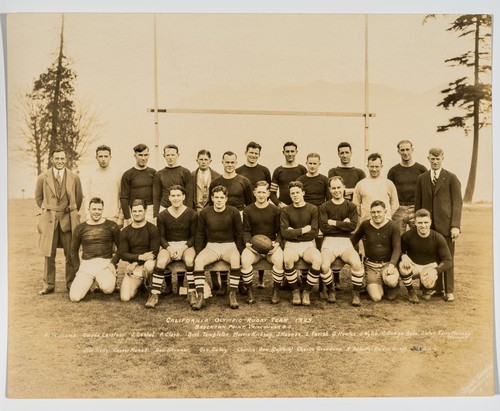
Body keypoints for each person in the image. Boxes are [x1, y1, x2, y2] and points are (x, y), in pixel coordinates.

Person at [415, 147, 462, 302]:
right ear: (428, 158)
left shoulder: (451, 178)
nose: (435, 162)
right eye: (432, 159)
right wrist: (418, 224)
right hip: (427, 227)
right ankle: (433, 288)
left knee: (447, 258)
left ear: (443, 158)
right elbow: (418, 204)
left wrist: (455, 225)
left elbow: (457, 203)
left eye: (438, 159)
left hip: (446, 227)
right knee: (429, 258)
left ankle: (449, 290)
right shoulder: (422, 178)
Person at [35, 147, 83, 295]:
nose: (60, 161)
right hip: (50, 221)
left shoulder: (74, 177)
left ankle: (72, 284)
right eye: (57, 158)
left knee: (71, 253)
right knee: (49, 254)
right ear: (52, 159)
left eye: (62, 158)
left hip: (68, 221)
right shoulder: (43, 177)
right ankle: (49, 285)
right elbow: (39, 198)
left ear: (66, 159)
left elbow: (79, 198)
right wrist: (50, 211)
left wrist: (70, 213)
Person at [208, 151, 252, 295]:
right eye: (227, 162)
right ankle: (224, 284)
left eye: (232, 162)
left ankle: (239, 282)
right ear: (222, 162)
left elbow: (249, 203)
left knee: (238, 247)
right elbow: (210, 203)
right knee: (223, 247)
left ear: (236, 163)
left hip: (238, 216)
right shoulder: (215, 182)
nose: (230, 165)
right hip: (221, 217)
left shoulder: (243, 181)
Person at [193, 185, 244, 310]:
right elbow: (200, 234)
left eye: (222, 197)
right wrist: (198, 252)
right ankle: (200, 297)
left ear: (226, 199)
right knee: (198, 261)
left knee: (235, 259)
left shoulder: (233, 211)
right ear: (212, 198)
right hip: (212, 246)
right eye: (216, 197)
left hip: (229, 245)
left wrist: (240, 251)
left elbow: (239, 233)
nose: (219, 200)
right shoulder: (205, 212)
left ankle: (232, 295)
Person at [146, 185, 198, 309]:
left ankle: (192, 292)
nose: (176, 198)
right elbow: (161, 237)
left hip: (185, 245)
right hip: (169, 245)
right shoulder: (162, 215)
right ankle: (154, 294)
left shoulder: (192, 214)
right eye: (173, 196)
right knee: (162, 260)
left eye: (178, 195)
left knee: (190, 259)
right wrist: (170, 249)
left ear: (184, 197)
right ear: (169, 197)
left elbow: (193, 237)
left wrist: (181, 249)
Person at [319, 176, 364, 306]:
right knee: (324, 265)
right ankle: (331, 290)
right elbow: (324, 227)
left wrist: (333, 222)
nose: (337, 190)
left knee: (356, 264)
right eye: (334, 188)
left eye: (339, 187)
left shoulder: (351, 206)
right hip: (329, 241)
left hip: (345, 242)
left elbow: (353, 226)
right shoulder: (324, 206)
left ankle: (356, 294)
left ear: (344, 188)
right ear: (330, 190)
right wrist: (343, 224)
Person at [69, 197, 120, 302]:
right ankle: (88, 281)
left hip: (104, 263)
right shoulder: (80, 228)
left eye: (99, 209)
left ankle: (105, 280)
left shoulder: (112, 226)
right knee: (74, 297)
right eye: (94, 209)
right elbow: (73, 250)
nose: (97, 212)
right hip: (87, 264)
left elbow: (122, 248)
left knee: (107, 289)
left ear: (103, 209)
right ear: (89, 209)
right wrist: (77, 269)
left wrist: (113, 263)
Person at [236, 141, 272, 289]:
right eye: (251, 152)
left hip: (261, 209)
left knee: (262, 240)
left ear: (259, 155)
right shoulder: (239, 171)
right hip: (246, 210)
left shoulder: (264, 170)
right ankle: (241, 278)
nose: (253, 155)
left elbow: (268, 191)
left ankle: (261, 279)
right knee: (245, 243)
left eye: (256, 153)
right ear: (246, 153)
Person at [241, 181, 284, 304]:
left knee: (279, 260)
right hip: (254, 247)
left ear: (268, 193)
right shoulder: (248, 210)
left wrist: (277, 244)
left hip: (270, 246)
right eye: (258, 192)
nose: (261, 195)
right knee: (244, 260)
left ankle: (276, 291)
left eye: (263, 192)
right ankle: (249, 291)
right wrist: (248, 243)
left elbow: (280, 231)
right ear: (254, 193)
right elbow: (246, 230)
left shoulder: (275, 210)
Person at [350, 200, 401, 303]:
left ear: (385, 211)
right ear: (370, 212)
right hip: (371, 265)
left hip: (387, 264)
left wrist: (391, 265)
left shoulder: (393, 226)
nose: (376, 215)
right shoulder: (365, 225)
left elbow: (397, 248)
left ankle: (392, 285)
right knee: (377, 297)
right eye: (373, 212)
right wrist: (348, 252)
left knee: (390, 281)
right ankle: (379, 284)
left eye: (379, 212)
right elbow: (353, 239)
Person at [280, 181, 322, 306]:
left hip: (308, 244)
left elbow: (314, 232)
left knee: (317, 260)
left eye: (297, 192)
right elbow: (285, 233)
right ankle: (295, 291)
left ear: (303, 193)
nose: (295, 195)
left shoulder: (313, 209)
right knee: (287, 260)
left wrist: (294, 232)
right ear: (290, 195)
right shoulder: (286, 210)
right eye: (292, 193)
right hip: (291, 245)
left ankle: (307, 291)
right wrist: (303, 230)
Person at [399, 208, 452, 304]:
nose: (423, 226)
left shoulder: (438, 238)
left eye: (426, 222)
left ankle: (427, 289)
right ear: (415, 223)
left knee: (428, 286)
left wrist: (435, 270)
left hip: (429, 267)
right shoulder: (407, 236)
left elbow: (448, 260)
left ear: (430, 222)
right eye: (420, 223)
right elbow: (398, 251)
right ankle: (411, 292)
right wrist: (403, 255)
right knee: (403, 266)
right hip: (414, 266)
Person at [191, 149, 222, 299]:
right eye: (200, 159)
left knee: (213, 244)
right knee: (199, 243)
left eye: (206, 159)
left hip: (211, 213)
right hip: (196, 213)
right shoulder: (191, 176)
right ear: (197, 160)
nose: (203, 161)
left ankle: (217, 281)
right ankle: (198, 281)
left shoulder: (217, 176)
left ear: (210, 161)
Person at [118, 199, 160, 302]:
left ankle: (151, 286)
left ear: (145, 211)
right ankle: (140, 285)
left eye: (140, 211)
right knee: (125, 297)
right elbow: (123, 254)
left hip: (147, 265)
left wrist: (136, 262)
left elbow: (154, 252)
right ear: (131, 212)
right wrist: (139, 258)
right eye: (134, 211)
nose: (137, 214)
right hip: (134, 268)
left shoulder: (153, 229)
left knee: (149, 265)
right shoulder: (125, 231)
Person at [387, 140, 427, 234]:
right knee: (398, 238)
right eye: (402, 150)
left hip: (416, 208)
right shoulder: (393, 171)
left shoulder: (422, 169)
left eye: (407, 149)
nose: (405, 152)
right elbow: (390, 193)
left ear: (412, 150)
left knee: (417, 237)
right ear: (398, 151)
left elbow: (426, 191)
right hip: (399, 209)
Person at [353, 152, 399, 223]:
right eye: (372, 166)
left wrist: (385, 217)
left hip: (385, 223)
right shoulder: (360, 184)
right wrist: (366, 216)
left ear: (381, 166)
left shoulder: (388, 183)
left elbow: (395, 204)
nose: (374, 169)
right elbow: (356, 205)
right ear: (368, 166)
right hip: (367, 223)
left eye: (377, 166)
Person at [83, 145, 123, 225]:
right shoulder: (91, 175)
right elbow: (87, 196)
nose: (103, 159)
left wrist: (120, 217)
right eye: (100, 156)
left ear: (110, 157)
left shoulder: (117, 175)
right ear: (96, 157)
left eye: (106, 156)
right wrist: (88, 215)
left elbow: (121, 196)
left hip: (113, 217)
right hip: (95, 217)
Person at [120, 144, 156, 225]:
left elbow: (157, 196)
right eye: (140, 155)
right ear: (135, 156)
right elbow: (123, 198)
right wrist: (128, 218)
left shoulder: (153, 173)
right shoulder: (128, 174)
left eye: (145, 155)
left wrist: (155, 215)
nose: (143, 158)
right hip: (134, 211)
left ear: (148, 155)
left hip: (150, 211)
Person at [152, 144, 193, 217]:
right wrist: (155, 215)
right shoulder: (159, 174)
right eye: (168, 155)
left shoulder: (185, 172)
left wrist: (188, 213)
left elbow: (189, 195)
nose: (170, 157)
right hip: (164, 208)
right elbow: (156, 196)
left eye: (173, 155)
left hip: (181, 210)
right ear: (164, 156)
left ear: (178, 155)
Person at [270, 141, 307, 208]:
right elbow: (272, 193)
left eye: (292, 151)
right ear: (283, 152)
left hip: (300, 208)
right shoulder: (278, 170)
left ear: (296, 152)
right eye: (287, 151)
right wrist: (279, 204)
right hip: (284, 208)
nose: (290, 154)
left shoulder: (302, 169)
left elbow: (306, 190)